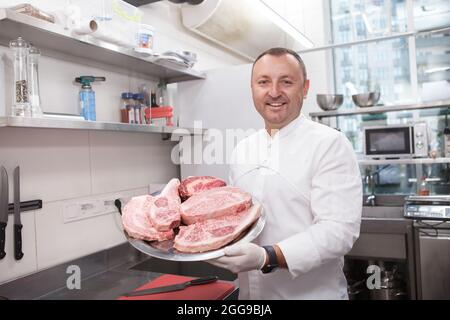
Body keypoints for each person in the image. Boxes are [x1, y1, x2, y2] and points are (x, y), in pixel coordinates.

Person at [207, 47, 362, 300]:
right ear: (252, 88)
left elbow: (338, 231)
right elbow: (238, 222)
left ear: (305, 87)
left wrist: (267, 256)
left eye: (286, 82)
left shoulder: (329, 144)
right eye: (263, 82)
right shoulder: (242, 149)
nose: (274, 92)